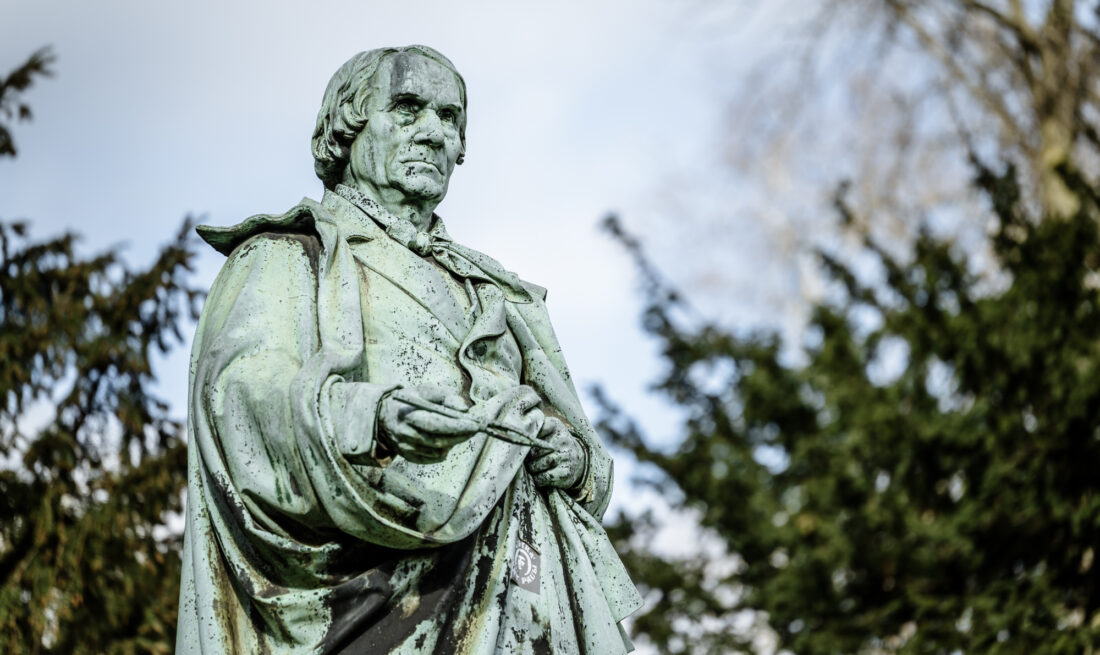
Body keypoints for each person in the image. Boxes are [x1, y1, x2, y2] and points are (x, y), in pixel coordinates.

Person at [175, 45, 641, 654]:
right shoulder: (288, 259)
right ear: (349, 126)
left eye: (450, 119)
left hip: (524, 594)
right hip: (377, 600)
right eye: (408, 107)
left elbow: (585, 454)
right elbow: (240, 402)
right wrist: (373, 416)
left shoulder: (495, 292)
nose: (434, 133)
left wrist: (573, 459)